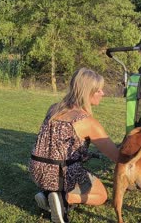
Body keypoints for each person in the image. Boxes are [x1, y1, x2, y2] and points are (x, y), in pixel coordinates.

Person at [29, 68, 119, 223]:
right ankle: (65, 198)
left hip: (36, 169)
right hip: (62, 174)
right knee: (101, 195)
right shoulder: (87, 122)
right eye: (99, 90)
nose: (103, 93)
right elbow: (117, 157)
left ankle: (47, 193)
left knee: (65, 170)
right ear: (88, 92)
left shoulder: (54, 108)